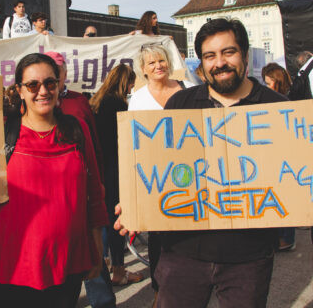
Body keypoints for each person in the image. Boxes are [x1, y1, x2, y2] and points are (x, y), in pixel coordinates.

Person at [116, 18, 287, 308]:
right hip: (182, 253)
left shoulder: (276, 108)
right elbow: (162, 170)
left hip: (248, 257)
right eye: (210, 56)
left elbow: (292, 175)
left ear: (245, 55)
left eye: (228, 52)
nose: (219, 62)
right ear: (202, 63)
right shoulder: (180, 105)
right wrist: (136, 202)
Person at [0, 53, 108, 308]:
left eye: (50, 83)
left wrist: (98, 249)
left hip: (66, 263)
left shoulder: (77, 129)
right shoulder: (1, 131)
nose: (43, 91)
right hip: (9, 263)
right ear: (20, 90)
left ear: (59, 86)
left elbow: (95, 194)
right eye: (33, 85)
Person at [43, 51, 116, 308]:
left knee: (93, 250)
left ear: (64, 75)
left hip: (81, 189)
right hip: (47, 196)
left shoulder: (78, 102)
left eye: (59, 71)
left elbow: (94, 144)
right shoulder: (34, 102)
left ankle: (103, 302)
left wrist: (99, 182)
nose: (55, 77)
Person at [128, 43, 193, 305]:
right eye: (152, 63)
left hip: (189, 171)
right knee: (159, 235)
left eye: (161, 61)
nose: (158, 66)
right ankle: (159, 290)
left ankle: (187, 287)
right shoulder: (139, 99)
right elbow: (135, 141)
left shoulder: (186, 88)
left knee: (188, 230)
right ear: (143, 69)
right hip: (155, 176)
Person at [89, 64, 142, 287]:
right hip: (115, 167)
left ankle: (109, 263)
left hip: (99, 167)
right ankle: (119, 270)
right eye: (131, 83)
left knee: (103, 219)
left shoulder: (96, 101)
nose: (132, 87)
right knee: (116, 219)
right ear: (125, 82)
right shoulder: (119, 104)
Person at [261, 62, 295, 251]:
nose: (266, 86)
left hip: (283, 156)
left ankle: (286, 238)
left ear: (276, 81)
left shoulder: (283, 101)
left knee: (284, 196)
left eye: (268, 83)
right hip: (275, 154)